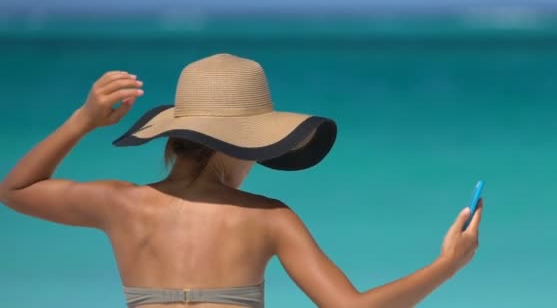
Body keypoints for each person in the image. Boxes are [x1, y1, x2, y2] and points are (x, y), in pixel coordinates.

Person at [0, 53, 483, 308]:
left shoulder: (120, 203)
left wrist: (83, 120)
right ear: (241, 146)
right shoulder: (268, 217)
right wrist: (449, 264)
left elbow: (15, 190)